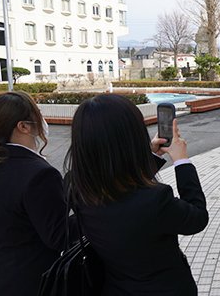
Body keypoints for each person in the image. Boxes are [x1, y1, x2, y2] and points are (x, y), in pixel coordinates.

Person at [65, 94, 208, 295]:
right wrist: (181, 161)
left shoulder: (77, 186)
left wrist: (150, 157)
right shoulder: (155, 199)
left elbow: (120, 191)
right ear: (132, 138)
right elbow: (197, 218)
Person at [0, 91, 69, 296]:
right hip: (31, 281)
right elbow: (59, 236)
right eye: (37, 114)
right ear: (23, 126)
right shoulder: (39, 174)